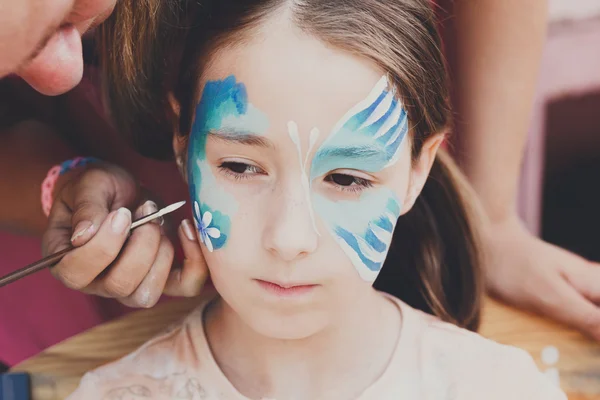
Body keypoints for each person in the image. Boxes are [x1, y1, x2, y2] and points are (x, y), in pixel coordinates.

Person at [68, 1, 566, 398]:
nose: (289, 238)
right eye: (240, 167)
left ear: (418, 169)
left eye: (347, 179)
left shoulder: (500, 389)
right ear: (184, 139)